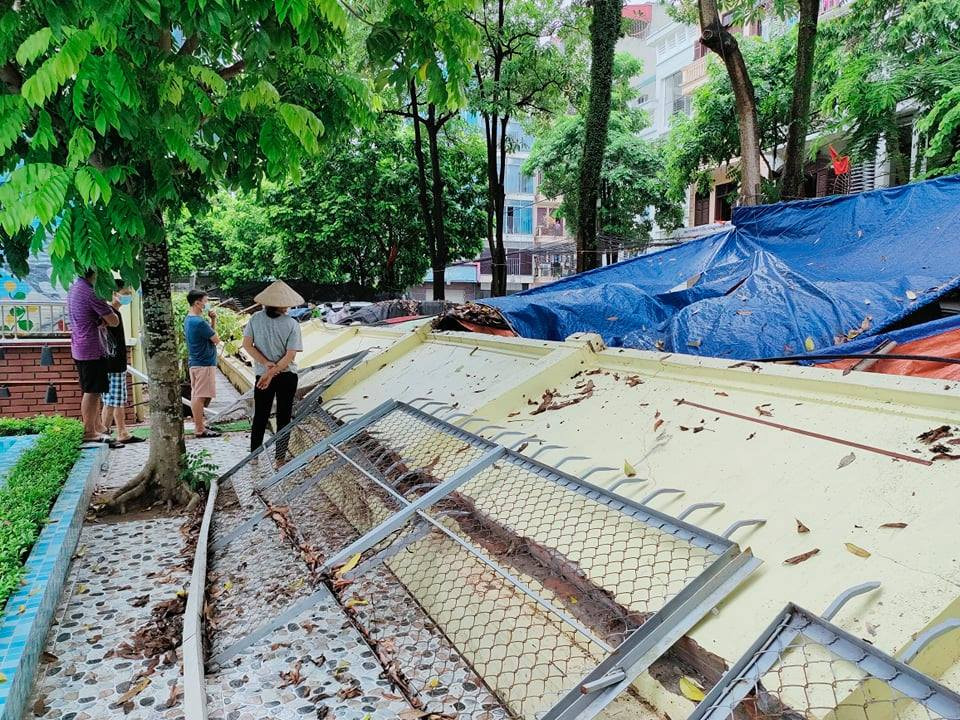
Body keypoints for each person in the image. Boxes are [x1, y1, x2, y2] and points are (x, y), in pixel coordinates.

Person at [242, 281, 304, 453]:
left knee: (260, 415)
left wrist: (266, 366)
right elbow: (290, 355)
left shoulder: (255, 319)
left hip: (262, 376)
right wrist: (273, 371)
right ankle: (280, 458)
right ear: (285, 304)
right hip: (286, 376)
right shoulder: (292, 324)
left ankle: (254, 454)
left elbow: (247, 345)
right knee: (284, 417)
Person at [67, 269, 121, 445]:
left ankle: (97, 426)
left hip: (80, 346)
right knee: (91, 391)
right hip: (91, 349)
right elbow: (114, 320)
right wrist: (107, 316)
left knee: (94, 390)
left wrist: (100, 320)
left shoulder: (75, 288)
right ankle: (89, 431)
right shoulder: (92, 293)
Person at [100, 279, 144, 445]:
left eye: (129, 294)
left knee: (116, 400)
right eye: (125, 294)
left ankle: (122, 432)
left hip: (115, 363)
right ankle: (104, 435)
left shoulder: (114, 313)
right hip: (112, 364)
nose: (128, 297)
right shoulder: (110, 314)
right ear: (114, 294)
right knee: (111, 401)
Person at [184, 289, 221, 438]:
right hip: (204, 363)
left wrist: (212, 320)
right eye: (205, 301)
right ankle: (199, 428)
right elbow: (215, 339)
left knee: (197, 394)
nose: (207, 304)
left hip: (196, 361)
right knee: (200, 396)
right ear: (197, 303)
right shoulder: (199, 322)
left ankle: (200, 423)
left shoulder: (189, 319)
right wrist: (212, 321)